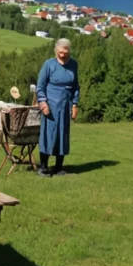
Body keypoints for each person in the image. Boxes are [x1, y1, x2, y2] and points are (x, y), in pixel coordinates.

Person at [36, 38, 80, 177]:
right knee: (48, 135)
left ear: (69, 52)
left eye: (65, 53)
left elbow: (75, 86)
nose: (63, 55)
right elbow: (40, 86)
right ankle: (43, 168)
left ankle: (59, 167)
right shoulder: (49, 65)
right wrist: (43, 103)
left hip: (65, 106)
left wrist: (75, 104)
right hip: (50, 106)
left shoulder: (73, 64)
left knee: (63, 135)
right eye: (60, 52)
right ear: (56, 51)